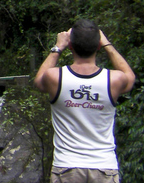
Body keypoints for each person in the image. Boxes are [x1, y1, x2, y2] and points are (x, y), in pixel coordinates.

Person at [33, 19, 136, 183]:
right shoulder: (114, 80)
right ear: (98, 46)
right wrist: (108, 44)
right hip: (104, 167)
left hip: (67, 167)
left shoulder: (55, 77)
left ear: (71, 46)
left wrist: (58, 47)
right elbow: (130, 78)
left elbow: (39, 80)